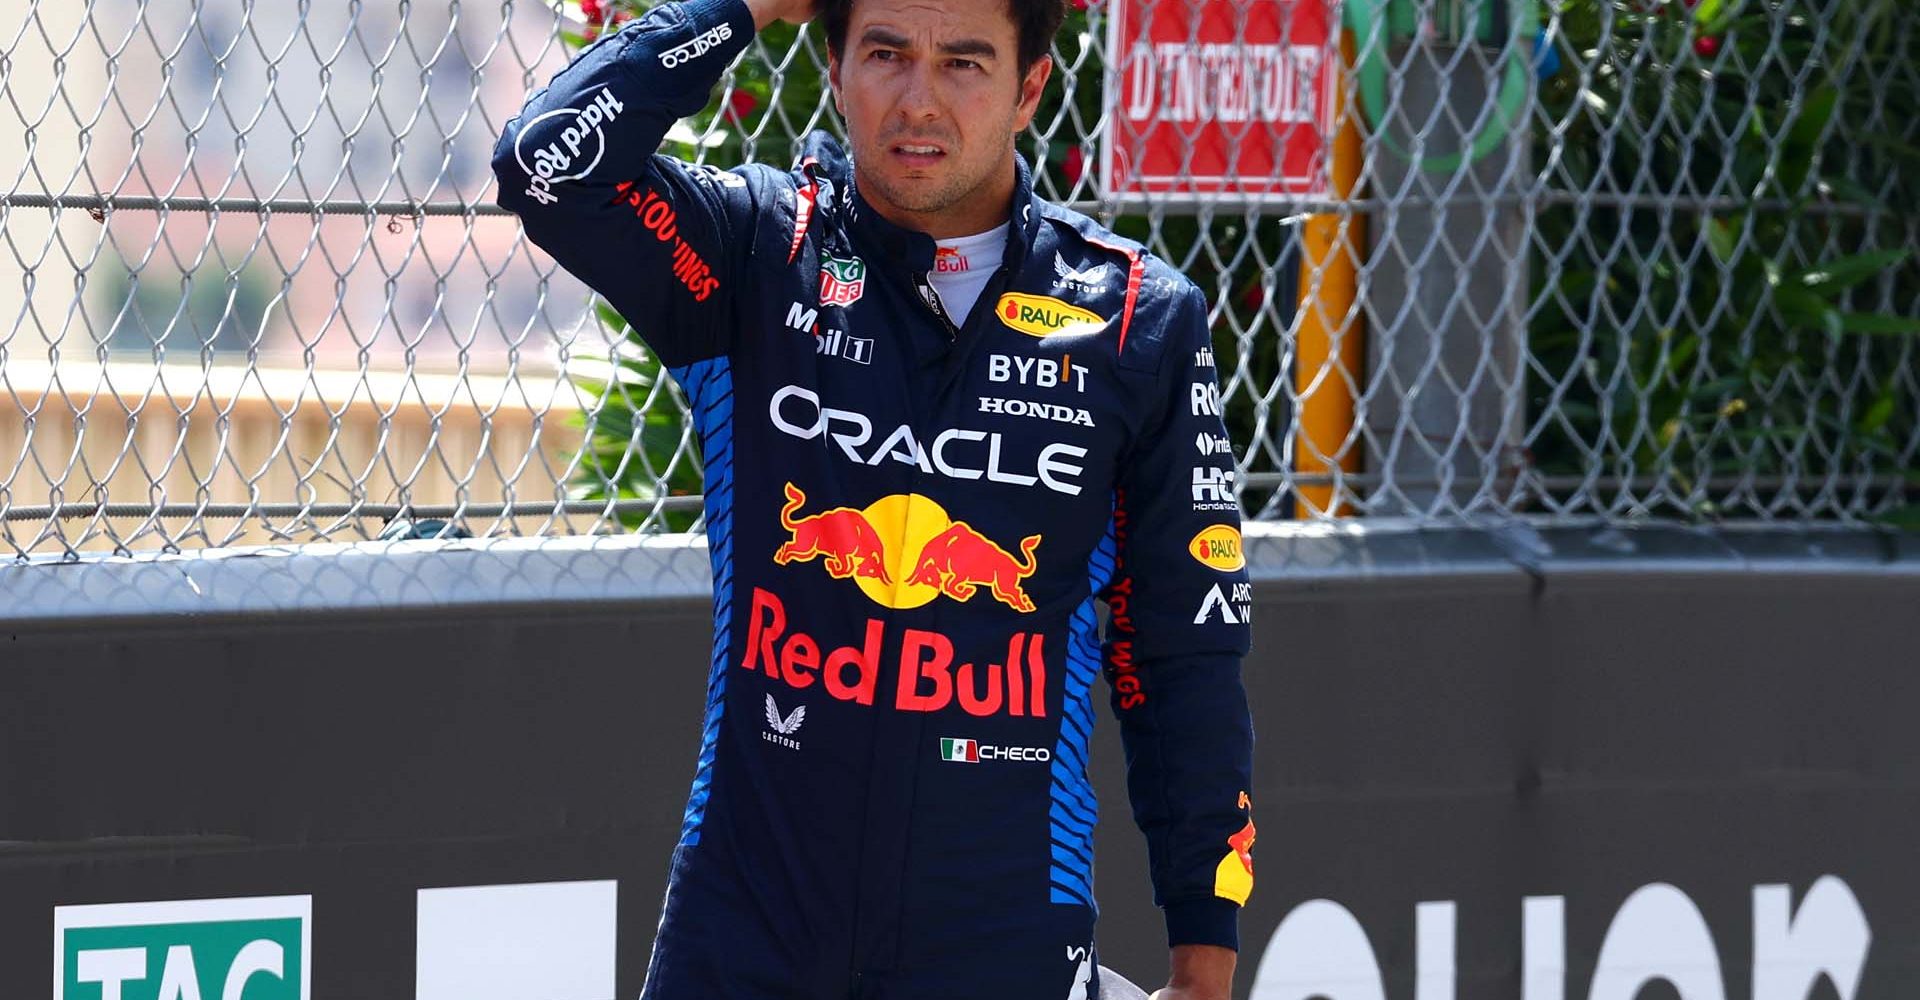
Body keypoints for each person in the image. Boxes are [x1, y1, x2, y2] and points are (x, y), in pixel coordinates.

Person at [492, 0, 1255, 996]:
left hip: (1005, 938)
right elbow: (547, 165)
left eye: (965, 63)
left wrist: (1204, 958)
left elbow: (1183, 650)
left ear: (1030, 89)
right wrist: (743, 8)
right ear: (837, 64)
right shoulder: (757, 254)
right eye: (887, 54)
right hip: (746, 931)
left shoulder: (1136, 325)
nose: (920, 100)